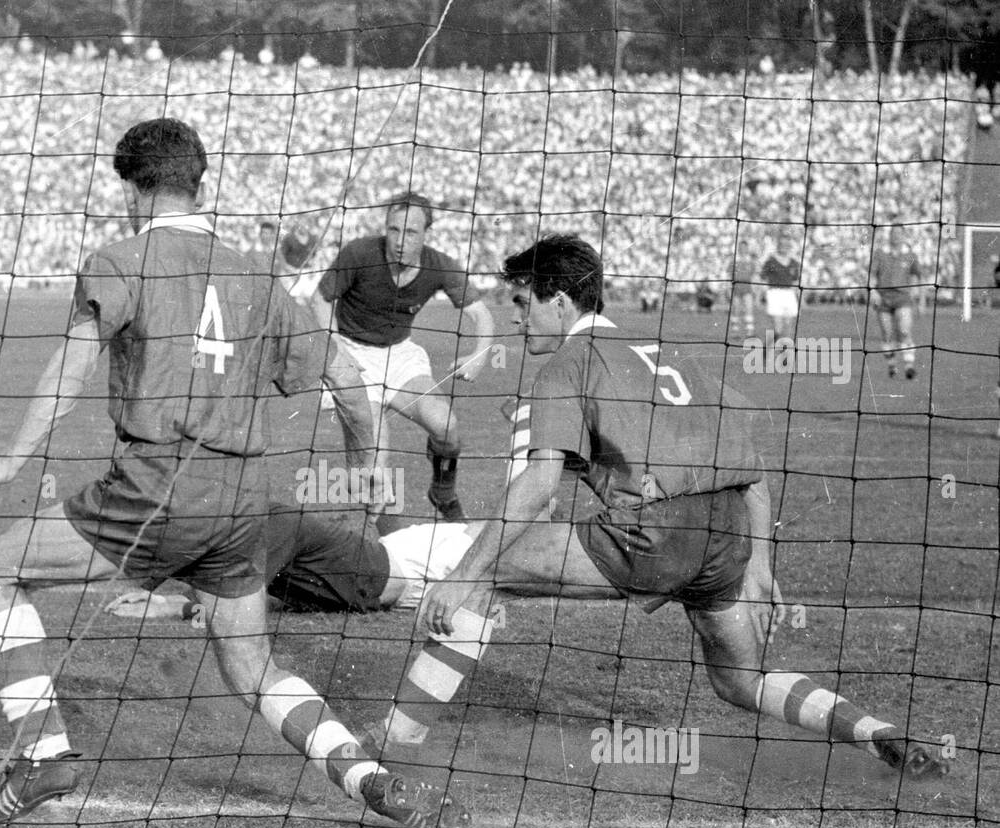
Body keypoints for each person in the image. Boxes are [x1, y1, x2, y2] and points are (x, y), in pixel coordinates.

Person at [0, 118, 465, 828]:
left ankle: (42, 751)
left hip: (154, 493)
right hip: (243, 509)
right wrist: (365, 468)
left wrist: (10, 459)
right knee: (251, 670)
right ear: (199, 182)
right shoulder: (259, 277)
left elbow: (73, 364)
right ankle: (365, 774)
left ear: (136, 188)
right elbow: (344, 377)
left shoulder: (122, 259)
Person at [371, 232, 948, 781]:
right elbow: (750, 471)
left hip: (656, 536)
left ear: (562, 301)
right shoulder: (672, 352)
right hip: (726, 538)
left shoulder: (567, 364)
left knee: (485, 567)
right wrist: (760, 565)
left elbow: (538, 488)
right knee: (740, 681)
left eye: (524, 302)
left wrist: (463, 576)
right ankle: (876, 731)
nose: (518, 319)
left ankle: (394, 742)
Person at [310, 192, 496, 521]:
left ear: (426, 234)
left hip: (400, 354)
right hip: (352, 352)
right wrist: (335, 349)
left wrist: (480, 355)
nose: (399, 241)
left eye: (410, 233)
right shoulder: (359, 253)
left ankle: (442, 491)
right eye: (394, 230)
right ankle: (384, 551)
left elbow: (481, 315)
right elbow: (320, 300)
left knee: (447, 427)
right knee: (373, 467)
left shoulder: (438, 265)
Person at [106, 507, 476, 622]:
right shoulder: (255, 539)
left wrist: (153, 591)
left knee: (514, 553)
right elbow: (248, 601)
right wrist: (164, 604)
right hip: (402, 568)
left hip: (419, 561)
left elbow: (234, 609)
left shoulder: (277, 527)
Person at [869, 228, 923, 380]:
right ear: (890, 236)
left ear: (904, 236)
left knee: (904, 330)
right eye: (894, 234)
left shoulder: (910, 255)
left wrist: (917, 295)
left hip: (902, 298)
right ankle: (892, 365)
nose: (896, 237)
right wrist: (873, 292)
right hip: (883, 298)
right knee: (887, 334)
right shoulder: (880, 254)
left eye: (899, 234)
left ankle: (909, 366)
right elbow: (872, 275)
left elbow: (916, 274)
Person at [759, 233, 800, 341]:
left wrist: (797, 295)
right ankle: (768, 348)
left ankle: (786, 353)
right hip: (774, 293)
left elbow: (796, 280)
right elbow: (762, 277)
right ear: (778, 245)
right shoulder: (771, 262)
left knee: (789, 326)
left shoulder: (794, 263)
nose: (784, 247)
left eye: (787, 244)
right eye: (782, 244)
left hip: (789, 293)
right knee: (778, 328)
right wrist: (764, 292)